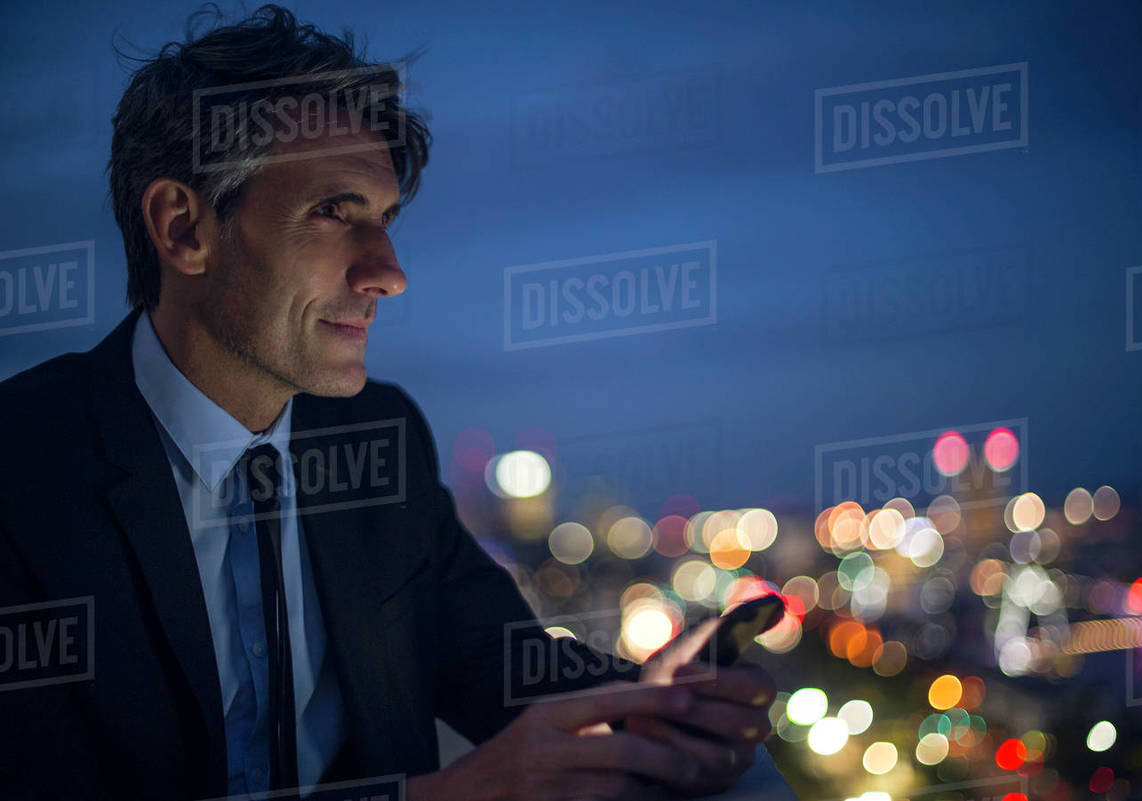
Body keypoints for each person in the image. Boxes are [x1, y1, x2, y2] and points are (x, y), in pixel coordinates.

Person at [0, 6, 775, 799]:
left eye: (385, 220)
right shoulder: (22, 474)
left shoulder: (380, 435)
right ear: (183, 226)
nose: (388, 272)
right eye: (333, 212)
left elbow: (490, 659)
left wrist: (653, 702)